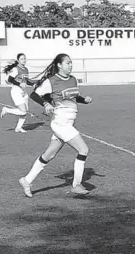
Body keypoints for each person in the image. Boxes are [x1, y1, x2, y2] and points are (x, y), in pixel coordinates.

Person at [19, 53, 92, 197]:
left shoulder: (72, 80)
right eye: (67, 63)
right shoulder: (52, 81)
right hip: (61, 122)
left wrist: (85, 100)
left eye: (71, 63)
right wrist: (45, 103)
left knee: (49, 154)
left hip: (69, 122)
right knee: (83, 149)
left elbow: (74, 96)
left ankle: (26, 180)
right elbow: (34, 94)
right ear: (59, 65)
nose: (70, 65)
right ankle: (76, 185)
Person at [1, 53, 37, 133]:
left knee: (25, 112)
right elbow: (10, 80)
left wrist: (33, 84)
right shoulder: (16, 69)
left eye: (24, 58)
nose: (24, 60)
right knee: (23, 111)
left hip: (23, 91)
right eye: (21, 59)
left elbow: (26, 81)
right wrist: (19, 83)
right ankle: (6, 110)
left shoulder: (26, 69)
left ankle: (18, 128)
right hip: (16, 91)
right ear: (18, 60)